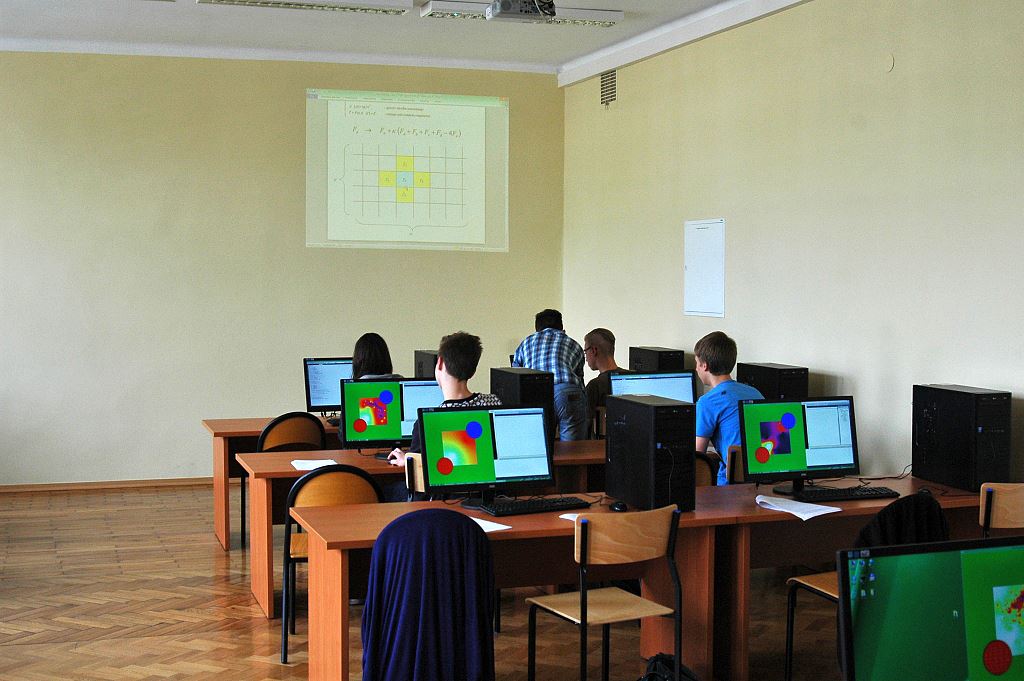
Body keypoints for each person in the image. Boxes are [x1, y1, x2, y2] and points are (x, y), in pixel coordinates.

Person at [387, 331, 500, 468]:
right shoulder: (494, 404)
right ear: (473, 371)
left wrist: (408, 460)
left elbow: (417, 471)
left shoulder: (427, 422)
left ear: (440, 363)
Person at [693, 331, 764, 486]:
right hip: (762, 481)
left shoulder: (707, 402)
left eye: (697, 363)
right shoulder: (755, 393)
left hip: (730, 485)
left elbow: (698, 456)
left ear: (705, 365)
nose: (696, 368)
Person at [512, 309, 587, 441]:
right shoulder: (573, 344)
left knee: (542, 443)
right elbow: (579, 377)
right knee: (572, 447)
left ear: (537, 329)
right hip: (567, 392)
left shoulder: (527, 342)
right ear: (562, 327)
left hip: (538, 393)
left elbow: (516, 373)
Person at [582, 328, 625, 437]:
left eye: (585, 351)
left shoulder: (594, 386)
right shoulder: (632, 378)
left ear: (594, 350)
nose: (586, 358)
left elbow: (586, 426)